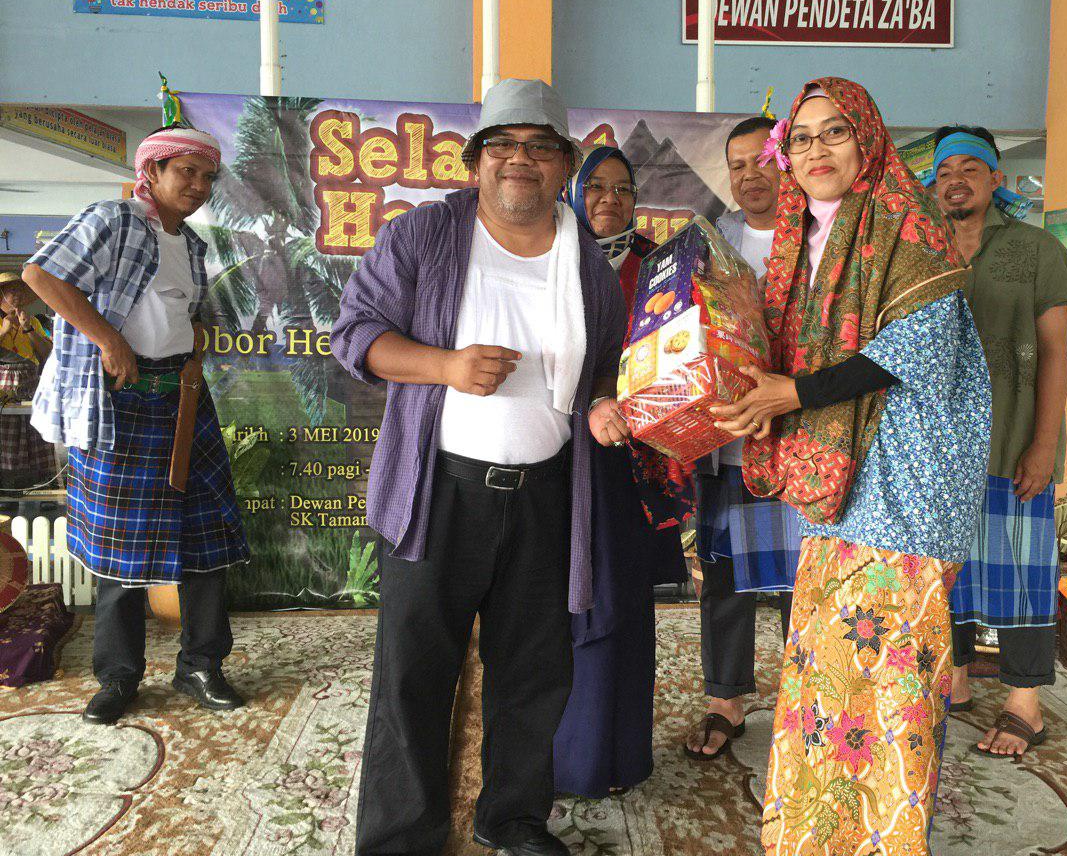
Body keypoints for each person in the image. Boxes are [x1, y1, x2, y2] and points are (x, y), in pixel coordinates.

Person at [331, 78, 628, 856]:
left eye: (539, 146)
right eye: (502, 144)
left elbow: (604, 365)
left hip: (546, 495)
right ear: (475, 162)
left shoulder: (587, 263)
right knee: (415, 672)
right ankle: (402, 837)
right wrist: (445, 366)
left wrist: (603, 402)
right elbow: (355, 333)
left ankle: (513, 817)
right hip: (440, 492)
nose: (518, 159)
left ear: (564, 166)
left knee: (532, 670)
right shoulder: (424, 236)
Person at [712, 78, 990, 855]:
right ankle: (814, 832)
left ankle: (883, 838)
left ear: (867, 138)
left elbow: (913, 350)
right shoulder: (802, 241)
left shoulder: (908, 222)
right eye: (800, 138)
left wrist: (790, 393)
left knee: (889, 677)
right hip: (840, 482)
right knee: (824, 668)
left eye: (834, 132)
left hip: (906, 486)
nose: (815, 150)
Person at [23, 125, 249, 725]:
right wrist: (109, 340)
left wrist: (193, 338)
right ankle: (119, 677)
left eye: (207, 177)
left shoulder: (191, 245)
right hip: (119, 401)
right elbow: (42, 276)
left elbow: (176, 313)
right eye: (186, 172)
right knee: (118, 549)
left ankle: (201, 665)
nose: (198, 186)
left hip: (183, 399)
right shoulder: (113, 218)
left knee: (204, 540)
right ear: (152, 172)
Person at [927, 125, 1067, 761]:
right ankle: (956, 680)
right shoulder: (922, 249)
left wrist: (1043, 447)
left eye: (971, 168)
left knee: (1021, 569)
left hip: (1012, 439)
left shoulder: (1038, 250)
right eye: (944, 171)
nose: (955, 181)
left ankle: (1025, 703)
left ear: (996, 178)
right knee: (947, 571)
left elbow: (1054, 353)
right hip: (935, 448)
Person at [552, 146, 691, 798]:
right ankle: (564, 759)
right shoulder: (551, 258)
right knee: (568, 604)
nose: (610, 199)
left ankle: (616, 757)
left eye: (623, 188)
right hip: (561, 458)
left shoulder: (660, 266)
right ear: (574, 193)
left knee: (623, 605)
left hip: (635, 463)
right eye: (596, 187)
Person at [684, 116, 803, 762]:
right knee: (725, 575)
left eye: (761, 160)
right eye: (736, 165)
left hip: (802, 442)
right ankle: (725, 699)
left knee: (801, 581)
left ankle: (807, 704)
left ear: (786, 163)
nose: (749, 175)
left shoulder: (818, 236)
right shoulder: (710, 241)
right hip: (729, 438)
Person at [0, 271, 58, 492]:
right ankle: (8, 488)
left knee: (34, 432)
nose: (17, 295)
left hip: (30, 383)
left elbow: (46, 354)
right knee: (8, 434)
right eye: (11, 290)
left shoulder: (32, 320)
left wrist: (28, 329)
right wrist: (5, 330)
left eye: (19, 290)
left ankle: (39, 486)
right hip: (4, 386)